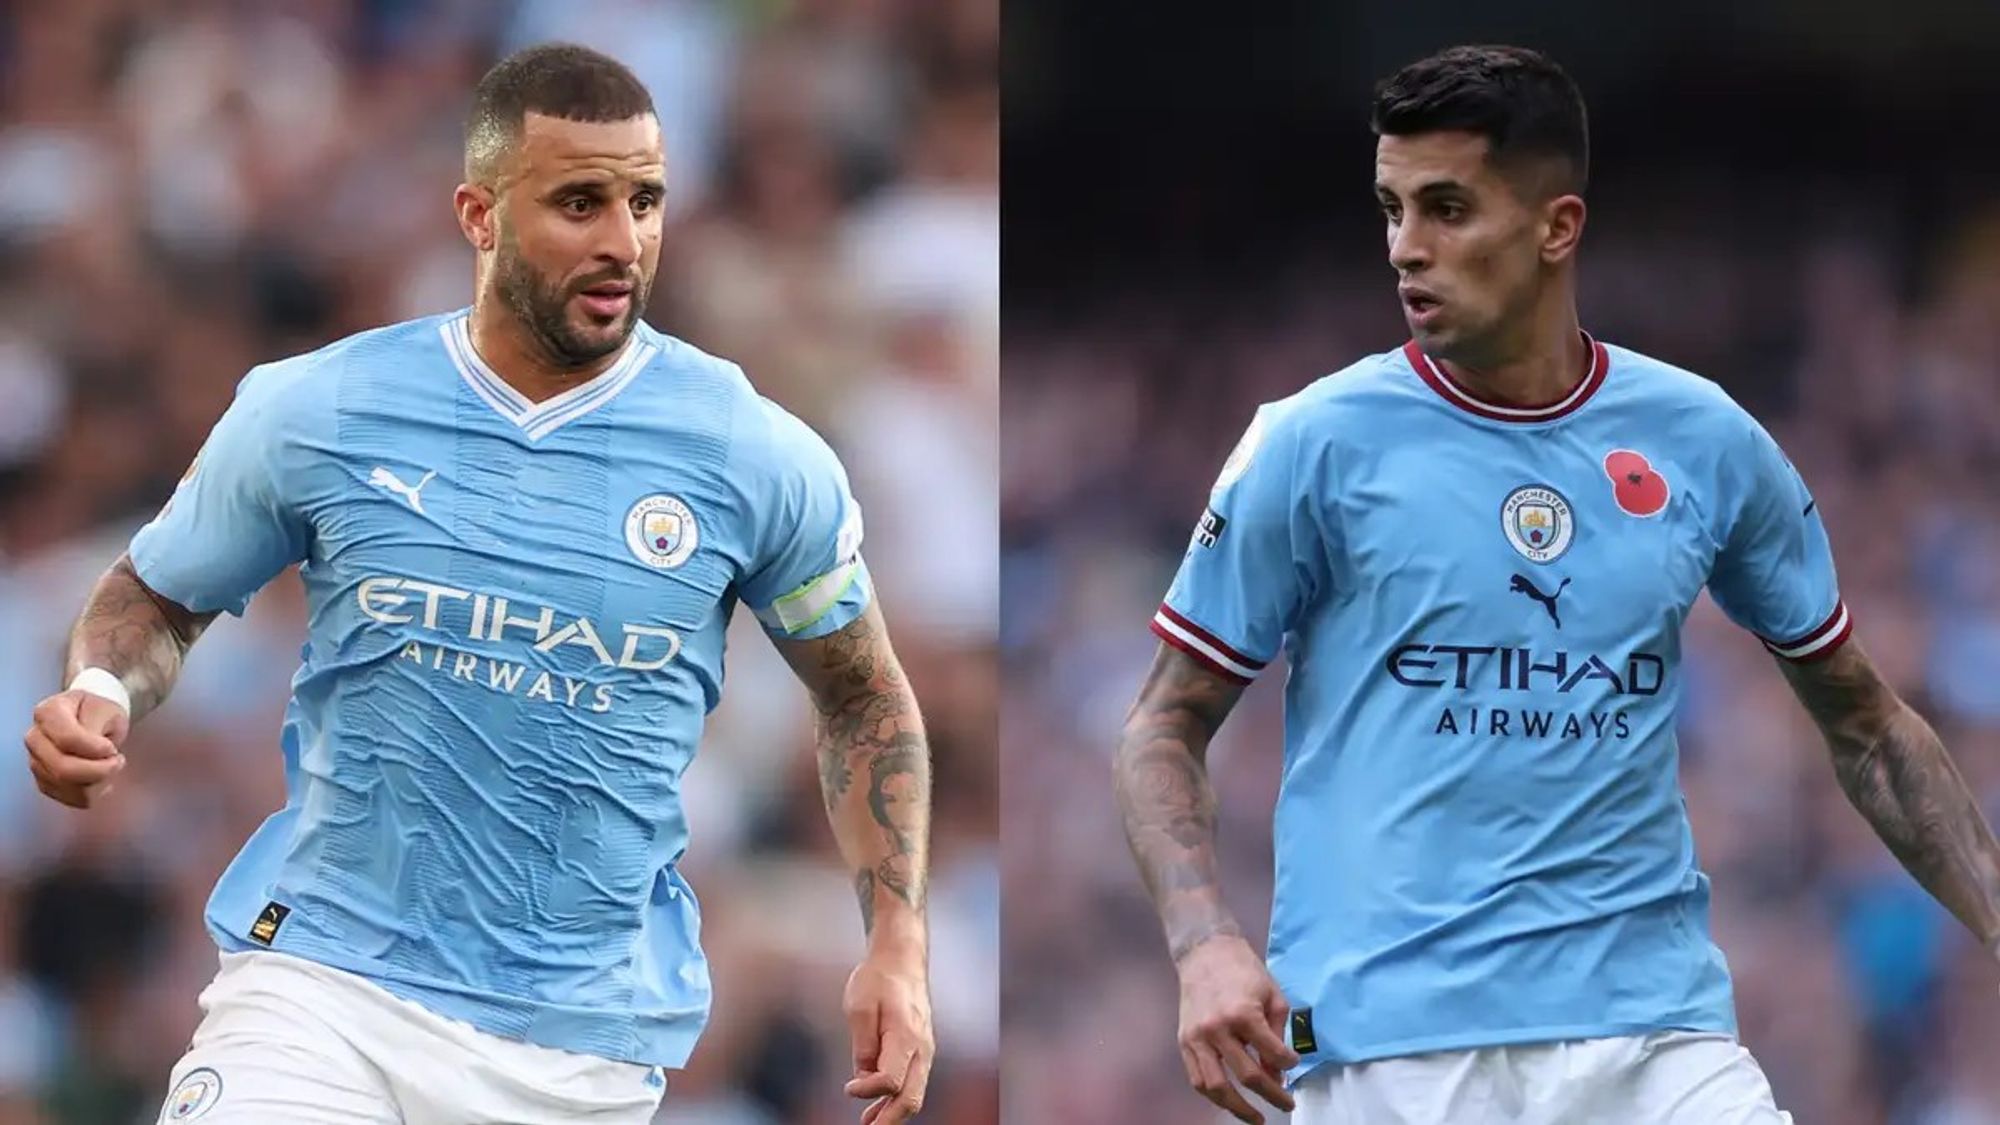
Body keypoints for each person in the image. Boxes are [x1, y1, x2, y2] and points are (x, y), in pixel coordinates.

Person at [21, 43, 933, 1125]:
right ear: (479, 214)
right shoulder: (319, 408)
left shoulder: (754, 456)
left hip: (573, 1051)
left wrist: (895, 943)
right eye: (580, 203)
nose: (622, 242)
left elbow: (865, 697)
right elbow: (157, 596)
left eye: (644, 201)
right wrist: (104, 694)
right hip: (320, 991)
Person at [1113, 43, 2000, 1125]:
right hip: (1378, 1047)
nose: (1405, 249)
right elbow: (1162, 725)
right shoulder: (1310, 446)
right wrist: (1204, 945)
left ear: (1555, 227)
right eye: (1390, 209)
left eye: (1445, 208)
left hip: (1652, 1041)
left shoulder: (1704, 440)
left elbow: (1864, 726)